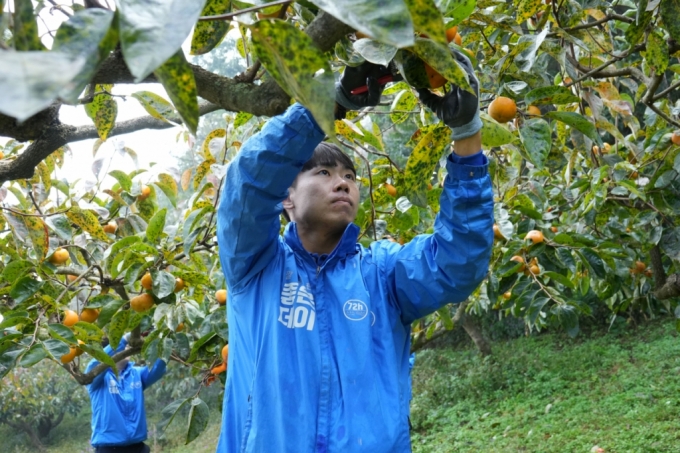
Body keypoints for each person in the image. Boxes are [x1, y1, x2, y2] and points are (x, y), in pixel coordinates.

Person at [215, 51, 493, 452]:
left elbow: (458, 261)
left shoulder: (381, 274)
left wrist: (467, 134)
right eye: (323, 173)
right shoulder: (255, 266)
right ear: (286, 199)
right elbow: (248, 183)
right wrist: (331, 102)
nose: (342, 183)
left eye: (349, 176)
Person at [84, 333, 167, 453]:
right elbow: (95, 364)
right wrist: (122, 339)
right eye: (121, 346)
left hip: (137, 447)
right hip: (108, 449)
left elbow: (159, 368)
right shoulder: (98, 378)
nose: (126, 348)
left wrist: (161, 339)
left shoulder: (137, 373)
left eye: (127, 346)